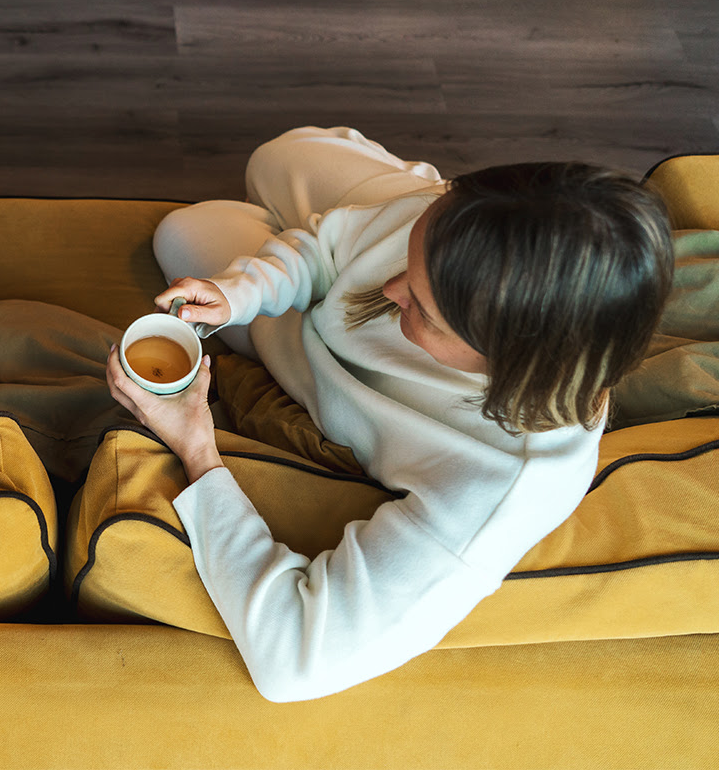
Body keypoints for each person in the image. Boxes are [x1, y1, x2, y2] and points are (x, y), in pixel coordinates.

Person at [106, 126, 674, 701]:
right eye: (410, 255)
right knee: (275, 156)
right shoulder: (448, 227)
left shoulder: (501, 480)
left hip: (309, 349)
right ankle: (400, 197)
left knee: (183, 234)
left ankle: (341, 218)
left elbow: (294, 662)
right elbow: (329, 247)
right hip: (373, 242)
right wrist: (243, 290)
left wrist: (197, 447)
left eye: (423, 308)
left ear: (508, 358)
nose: (390, 287)